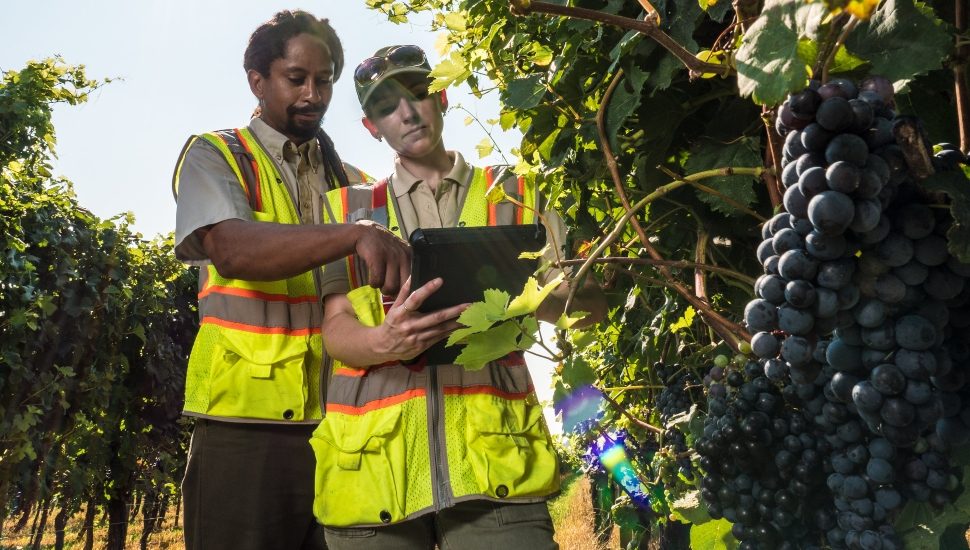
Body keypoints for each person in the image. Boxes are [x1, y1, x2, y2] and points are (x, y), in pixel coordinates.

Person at [309, 44, 608, 549]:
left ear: (442, 96)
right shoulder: (343, 209)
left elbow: (590, 313)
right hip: (373, 470)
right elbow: (336, 330)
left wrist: (532, 297)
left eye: (418, 93)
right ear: (371, 126)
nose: (407, 112)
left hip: (495, 469)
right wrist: (385, 341)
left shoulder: (518, 195)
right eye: (386, 106)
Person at [171, 12, 411, 550]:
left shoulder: (352, 184)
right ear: (257, 80)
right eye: (295, 78)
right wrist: (353, 234)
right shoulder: (216, 155)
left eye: (324, 80)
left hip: (345, 426)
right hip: (244, 428)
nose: (313, 93)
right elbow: (232, 251)